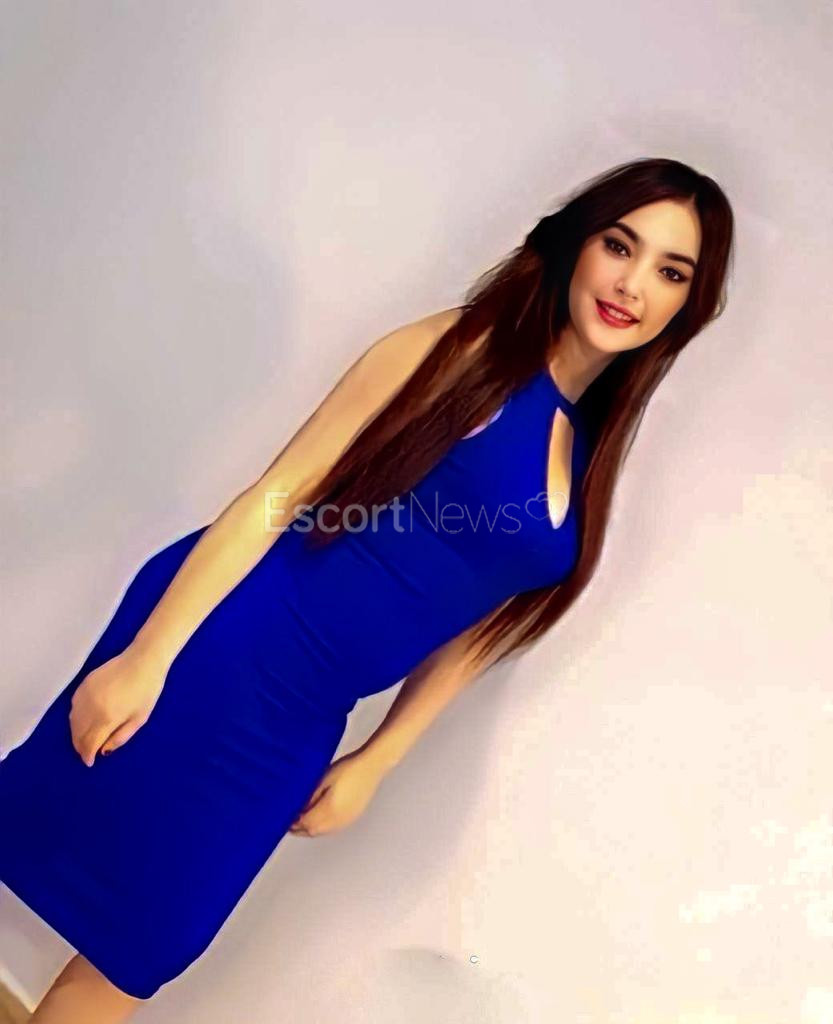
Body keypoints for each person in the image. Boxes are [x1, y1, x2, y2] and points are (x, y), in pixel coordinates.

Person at [0, 156, 734, 1021]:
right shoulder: (462, 350)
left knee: (143, 945)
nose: (631, 284)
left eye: (670, 272)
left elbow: (474, 633)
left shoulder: (583, 454)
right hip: (221, 647)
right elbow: (278, 495)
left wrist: (378, 760)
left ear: (688, 304)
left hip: (303, 717)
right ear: (577, 243)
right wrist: (148, 654)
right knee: (38, 841)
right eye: (619, 245)